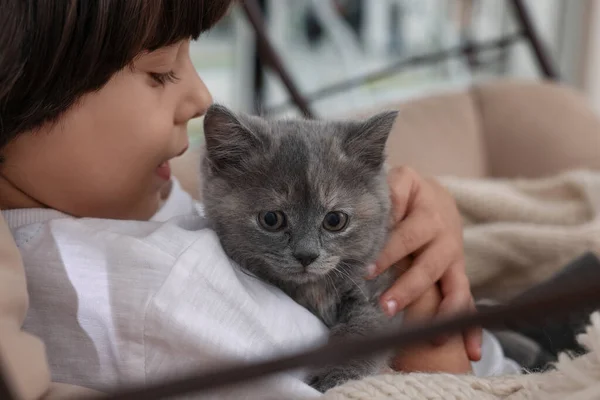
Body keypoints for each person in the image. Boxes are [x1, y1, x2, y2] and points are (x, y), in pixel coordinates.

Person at [0, 0, 516, 398]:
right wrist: (434, 317)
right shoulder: (161, 293)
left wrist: (435, 214)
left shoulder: (118, 202)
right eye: (160, 71)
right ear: (16, 85)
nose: (202, 97)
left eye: (191, 58)